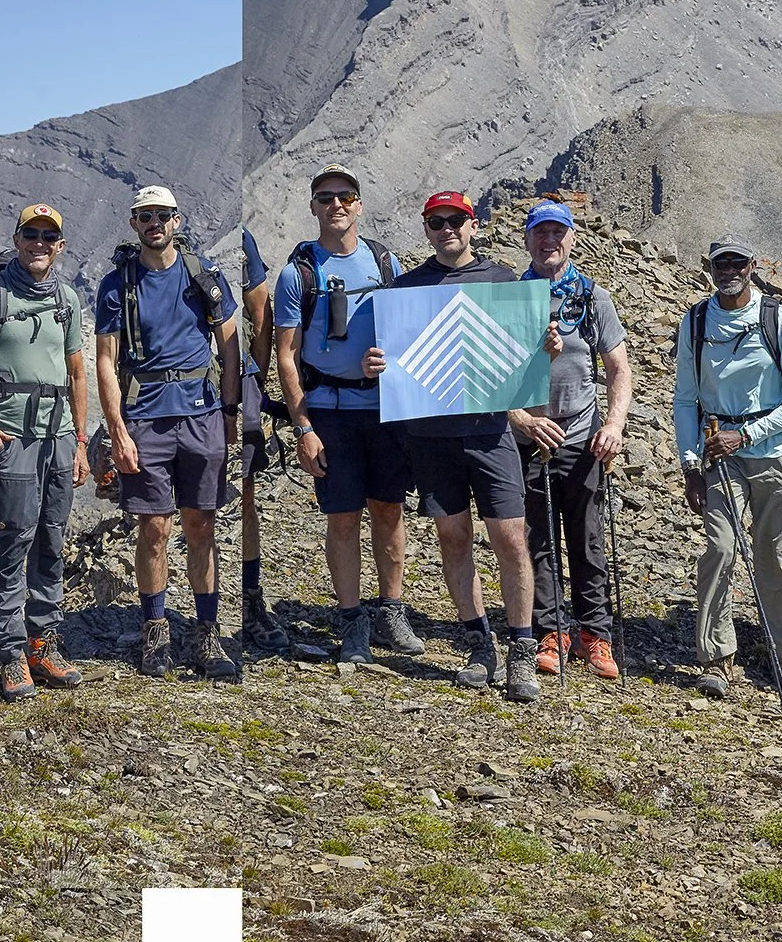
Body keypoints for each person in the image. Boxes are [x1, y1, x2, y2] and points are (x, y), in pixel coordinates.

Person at [365, 191, 558, 704]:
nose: (446, 228)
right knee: (453, 538)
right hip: (430, 436)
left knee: (511, 540)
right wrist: (378, 367)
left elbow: (524, 357)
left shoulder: (503, 282)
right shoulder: (406, 288)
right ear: (426, 228)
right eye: (436, 221)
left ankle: (521, 649)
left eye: (455, 220)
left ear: (473, 225)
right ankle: (478, 642)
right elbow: (389, 360)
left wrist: (545, 346)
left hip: (491, 433)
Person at [273, 166, 424, 665]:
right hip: (330, 412)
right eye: (326, 198)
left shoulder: (384, 262)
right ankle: (351, 619)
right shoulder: (298, 273)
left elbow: (406, 330)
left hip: (383, 408)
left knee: (388, 508)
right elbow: (287, 356)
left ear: (359, 205)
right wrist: (304, 428)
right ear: (313, 207)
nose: (336, 205)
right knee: (342, 517)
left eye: (345, 197)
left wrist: (395, 365)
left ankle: (391, 610)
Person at [0, 203, 90, 701]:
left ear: (60, 246)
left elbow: (76, 374)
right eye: (31, 234)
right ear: (17, 237)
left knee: (51, 540)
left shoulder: (67, 300)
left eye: (49, 237)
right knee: (14, 543)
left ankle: (42, 646)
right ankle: (9, 656)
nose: (39, 244)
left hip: (59, 436)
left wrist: (82, 441)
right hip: (9, 437)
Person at [94, 186, 240, 680]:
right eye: (144, 216)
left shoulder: (203, 276)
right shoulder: (117, 285)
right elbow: (106, 362)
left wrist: (231, 410)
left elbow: (230, 345)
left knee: (202, 526)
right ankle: (155, 630)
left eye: (162, 215)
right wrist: (117, 429)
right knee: (154, 529)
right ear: (134, 224)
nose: (154, 223)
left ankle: (206, 633)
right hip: (147, 419)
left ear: (177, 220)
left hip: (202, 416)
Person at [672, 238, 782, 703]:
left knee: (778, 551)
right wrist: (690, 463)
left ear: (754, 266)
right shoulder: (696, 322)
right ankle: (716, 656)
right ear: (710, 268)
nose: (730, 270)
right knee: (719, 547)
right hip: (720, 453)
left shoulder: (779, 319)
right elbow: (685, 399)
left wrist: (748, 434)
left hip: (773, 452)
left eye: (738, 262)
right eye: (722, 263)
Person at [515, 200, 632, 679]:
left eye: (557, 233)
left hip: (584, 439)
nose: (549, 241)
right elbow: (487, 373)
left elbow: (620, 368)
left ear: (572, 238)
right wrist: (520, 419)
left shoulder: (592, 298)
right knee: (537, 540)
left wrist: (614, 425)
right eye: (540, 233)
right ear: (527, 240)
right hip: (529, 440)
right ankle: (550, 629)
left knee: (587, 541)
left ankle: (594, 634)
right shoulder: (510, 296)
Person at [237, 225, 292, 657]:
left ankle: (250, 602)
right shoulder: (158, 235)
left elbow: (261, 312)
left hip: (236, 394)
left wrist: (251, 388)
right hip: (176, 398)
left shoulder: (241, 238)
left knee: (245, 501)